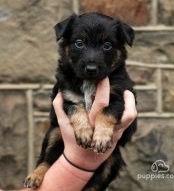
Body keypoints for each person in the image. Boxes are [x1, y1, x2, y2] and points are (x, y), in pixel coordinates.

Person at [2, 77, 137, 191]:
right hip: (70, 155)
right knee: (54, 134)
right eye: (79, 43)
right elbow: (67, 104)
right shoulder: (68, 79)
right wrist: (79, 161)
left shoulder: (118, 80)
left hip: (104, 155)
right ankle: (43, 166)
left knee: (114, 161)